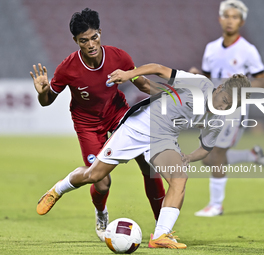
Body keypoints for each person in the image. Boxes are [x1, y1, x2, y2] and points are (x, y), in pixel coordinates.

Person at [36, 63, 252, 249]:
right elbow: (159, 69)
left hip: (164, 138)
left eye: (230, 105)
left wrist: (189, 157)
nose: (223, 105)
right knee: (95, 176)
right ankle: (57, 190)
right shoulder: (200, 84)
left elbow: (206, 147)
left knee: (180, 178)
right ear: (221, 87)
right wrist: (129, 74)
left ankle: (160, 235)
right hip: (138, 126)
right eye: (225, 99)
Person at [30, 8, 166, 241]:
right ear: (76, 41)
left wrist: (171, 94)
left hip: (118, 114)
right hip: (88, 124)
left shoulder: (119, 58)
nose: (91, 44)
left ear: (100, 33)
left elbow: (142, 84)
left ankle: (162, 230)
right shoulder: (67, 68)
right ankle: (98, 211)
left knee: (150, 167)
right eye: (84, 40)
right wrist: (42, 93)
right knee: (101, 182)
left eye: (94, 37)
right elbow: (46, 102)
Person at [189, 0, 264, 217]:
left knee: (216, 153)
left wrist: (240, 93)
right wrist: (197, 76)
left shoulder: (248, 50)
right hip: (214, 109)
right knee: (209, 158)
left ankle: (216, 205)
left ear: (241, 21)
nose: (230, 20)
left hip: (234, 110)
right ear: (220, 19)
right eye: (227, 16)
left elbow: (261, 81)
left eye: (235, 17)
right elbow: (206, 78)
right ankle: (251, 155)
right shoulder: (211, 48)